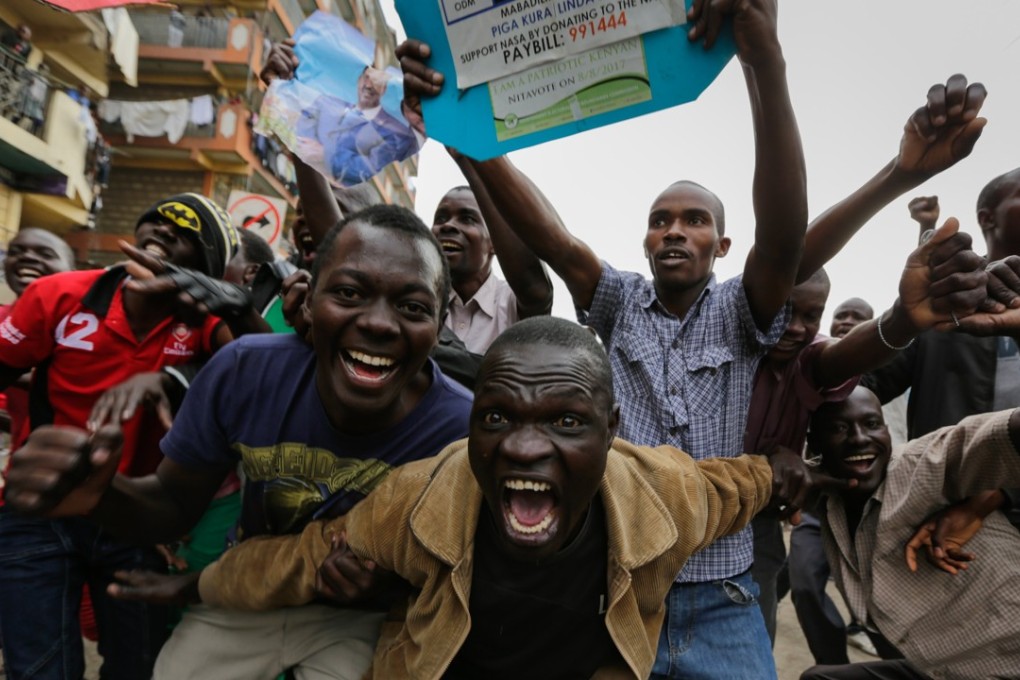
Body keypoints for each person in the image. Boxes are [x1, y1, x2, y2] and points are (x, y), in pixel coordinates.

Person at [4, 204, 473, 680]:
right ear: (308, 302)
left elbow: (448, 579)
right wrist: (99, 493)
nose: (378, 323)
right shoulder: (245, 370)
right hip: (242, 596)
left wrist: (379, 587)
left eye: (412, 307)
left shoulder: (459, 432)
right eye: (349, 293)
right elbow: (172, 503)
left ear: (439, 328)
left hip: (360, 623)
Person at [173, 317, 786, 679]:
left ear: (612, 429)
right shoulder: (416, 501)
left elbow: (735, 486)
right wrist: (194, 585)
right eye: (495, 417)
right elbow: (302, 557)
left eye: (566, 423)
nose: (521, 448)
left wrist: (784, 473)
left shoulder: (665, 498)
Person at [744, 71, 989, 642]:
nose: (797, 328)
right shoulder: (722, 336)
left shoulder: (809, 367)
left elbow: (876, 340)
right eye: (783, 308)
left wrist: (904, 317)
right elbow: (785, 250)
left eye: (811, 317)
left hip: (749, 538)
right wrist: (899, 175)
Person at [0, 192, 245, 680]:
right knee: (39, 670)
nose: (164, 231)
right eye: (156, 220)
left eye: (189, 235)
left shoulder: (206, 326)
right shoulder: (59, 295)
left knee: (137, 668)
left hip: (135, 521)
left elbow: (254, 381)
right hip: (40, 511)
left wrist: (233, 309)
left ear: (204, 269)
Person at [798, 385, 1020, 679]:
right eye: (839, 428)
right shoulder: (822, 495)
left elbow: (989, 437)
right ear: (814, 445)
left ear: (887, 430)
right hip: (943, 668)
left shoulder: (923, 465)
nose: (860, 438)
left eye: (872, 424)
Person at [0, 228, 75, 447]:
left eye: (46, 254)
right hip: (21, 461)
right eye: (16, 251)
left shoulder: (86, 325)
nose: (28, 257)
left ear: (72, 271)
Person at [298, 66, 420, 186]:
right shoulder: (332, 99)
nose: (368, 85)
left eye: (376, 82)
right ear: (359, 80)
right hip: (301, 169)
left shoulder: (389, 134)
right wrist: (307, 146)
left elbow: (366, 169)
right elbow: (307, 117)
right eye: (366, 78)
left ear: (384, 89)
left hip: (329, 187)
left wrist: (326, 154)